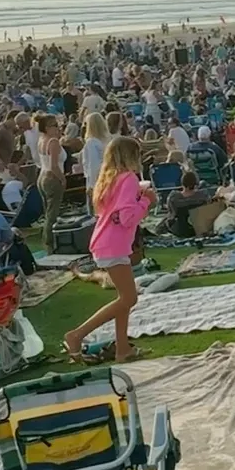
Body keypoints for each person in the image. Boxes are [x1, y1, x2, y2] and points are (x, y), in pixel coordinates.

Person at [63, 138, 156, 364]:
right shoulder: (129, 179)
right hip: (113, 244)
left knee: (123, 299)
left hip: (106, 242)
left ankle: (122, 348)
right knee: (128, 298)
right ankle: (76, 335)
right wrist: (146, 202)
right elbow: (127, 217)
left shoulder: (108, 180)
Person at [36, 114, 66, 251]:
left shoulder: (41, 140)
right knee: (52, 214)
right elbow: (54, 165)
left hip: (42, 176)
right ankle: (50, 244)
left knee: (48, 213)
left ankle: (47, 241)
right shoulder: (53, 142)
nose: (57, 128)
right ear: (47, 128)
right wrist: (62, 178)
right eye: (54, 125)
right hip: (52, 177)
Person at [80, 111, 108, 196]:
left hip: (95, 178)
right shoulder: (106, 140)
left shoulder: (91, 142)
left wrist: (92, 185)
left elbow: (93, 164)